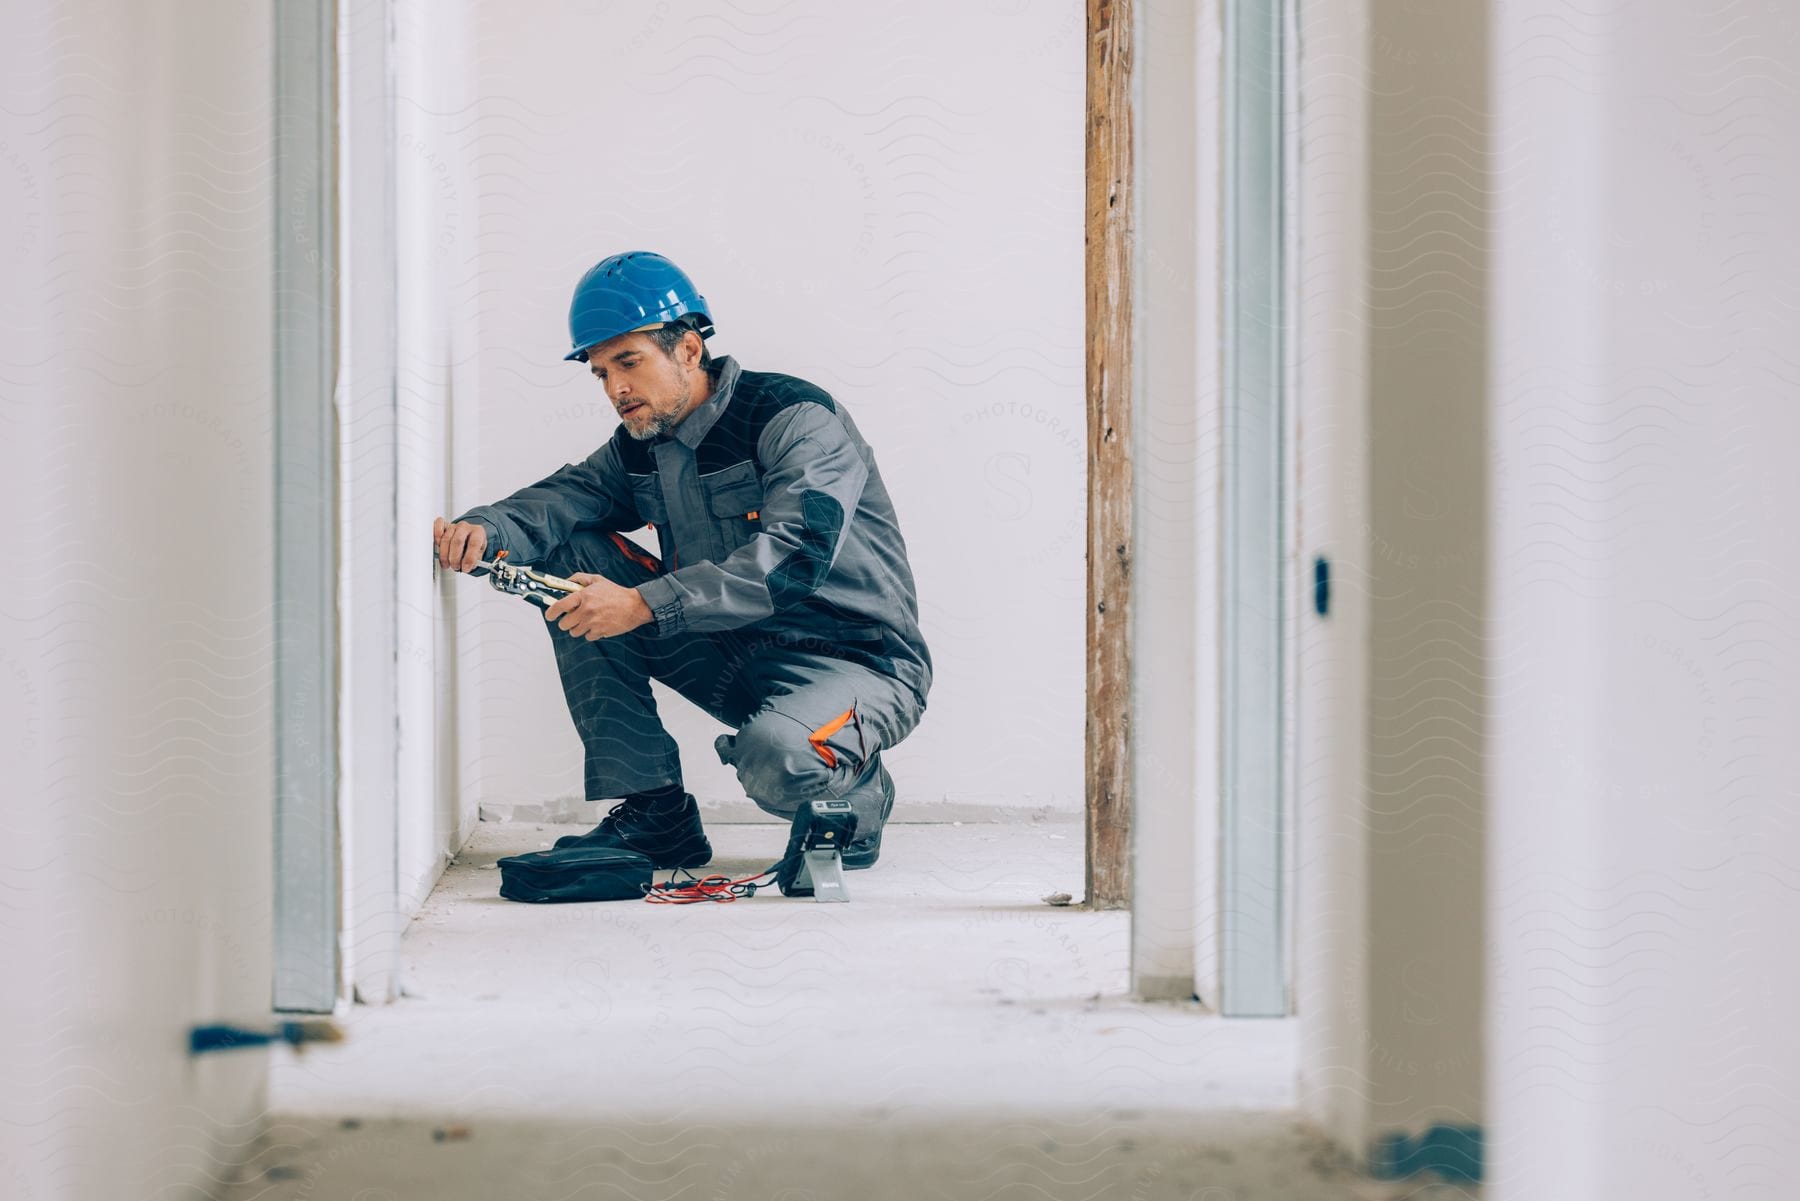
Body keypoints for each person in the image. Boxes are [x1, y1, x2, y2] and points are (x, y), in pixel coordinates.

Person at [432, 252, 931, 871]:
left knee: (780, 760)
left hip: (857, 661)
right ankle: (655, 815)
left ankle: (857, 790)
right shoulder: (642, 444)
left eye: (629, 362)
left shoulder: (793, 419)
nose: (616, 388)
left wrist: (641, 603)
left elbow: (795, 559)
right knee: (568, 553)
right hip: (734, 654)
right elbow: (568, 498)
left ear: (689, 351)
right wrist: (487, 527)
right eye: (601, 372)